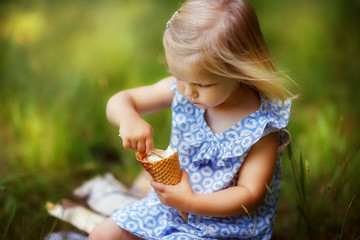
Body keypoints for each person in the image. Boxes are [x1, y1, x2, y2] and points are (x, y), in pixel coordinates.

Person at [89, 0, 293, 239]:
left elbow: (249, 194)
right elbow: (121, 100)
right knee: (102, 235)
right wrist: (128, 118)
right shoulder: (182, 91)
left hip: (220, 226)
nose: (188, 91)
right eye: (178, 76)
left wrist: (191, 202)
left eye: (203, 84)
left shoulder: (261, 127)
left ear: (241, 69)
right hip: (168, 208)